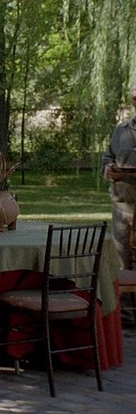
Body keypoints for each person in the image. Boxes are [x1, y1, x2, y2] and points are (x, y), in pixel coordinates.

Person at [102, 83, 136, 307]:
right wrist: (110, 170)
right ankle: (124, 313)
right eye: (135, 99)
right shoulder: (121, 131)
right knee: (121, 257)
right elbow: (107, 158)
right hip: (122, 204)